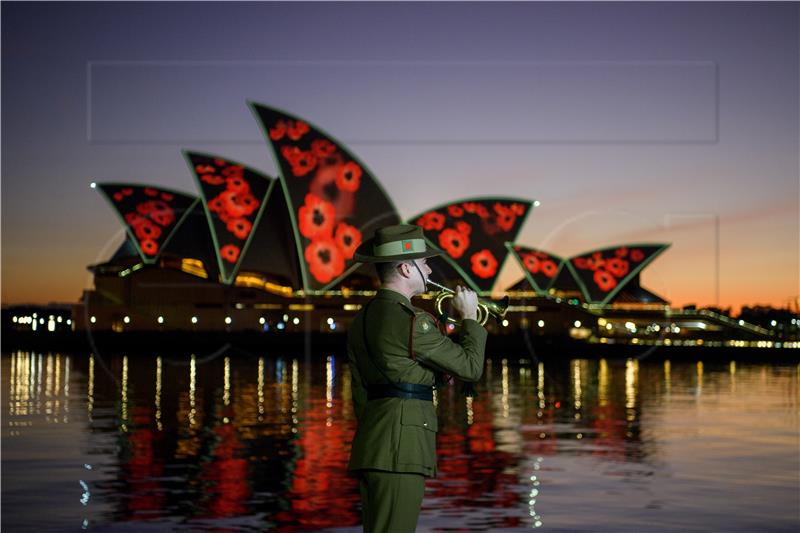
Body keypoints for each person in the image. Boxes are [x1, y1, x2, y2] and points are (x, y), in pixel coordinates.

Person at [347, 224, 487, 532]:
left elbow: (360, 390)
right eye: (425, 263)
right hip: (401, 450)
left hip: (373, 444)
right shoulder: (412, 321)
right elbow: (471, 367)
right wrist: (470, 319)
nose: (429, 268)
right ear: (407, 268)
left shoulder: (364, 317)